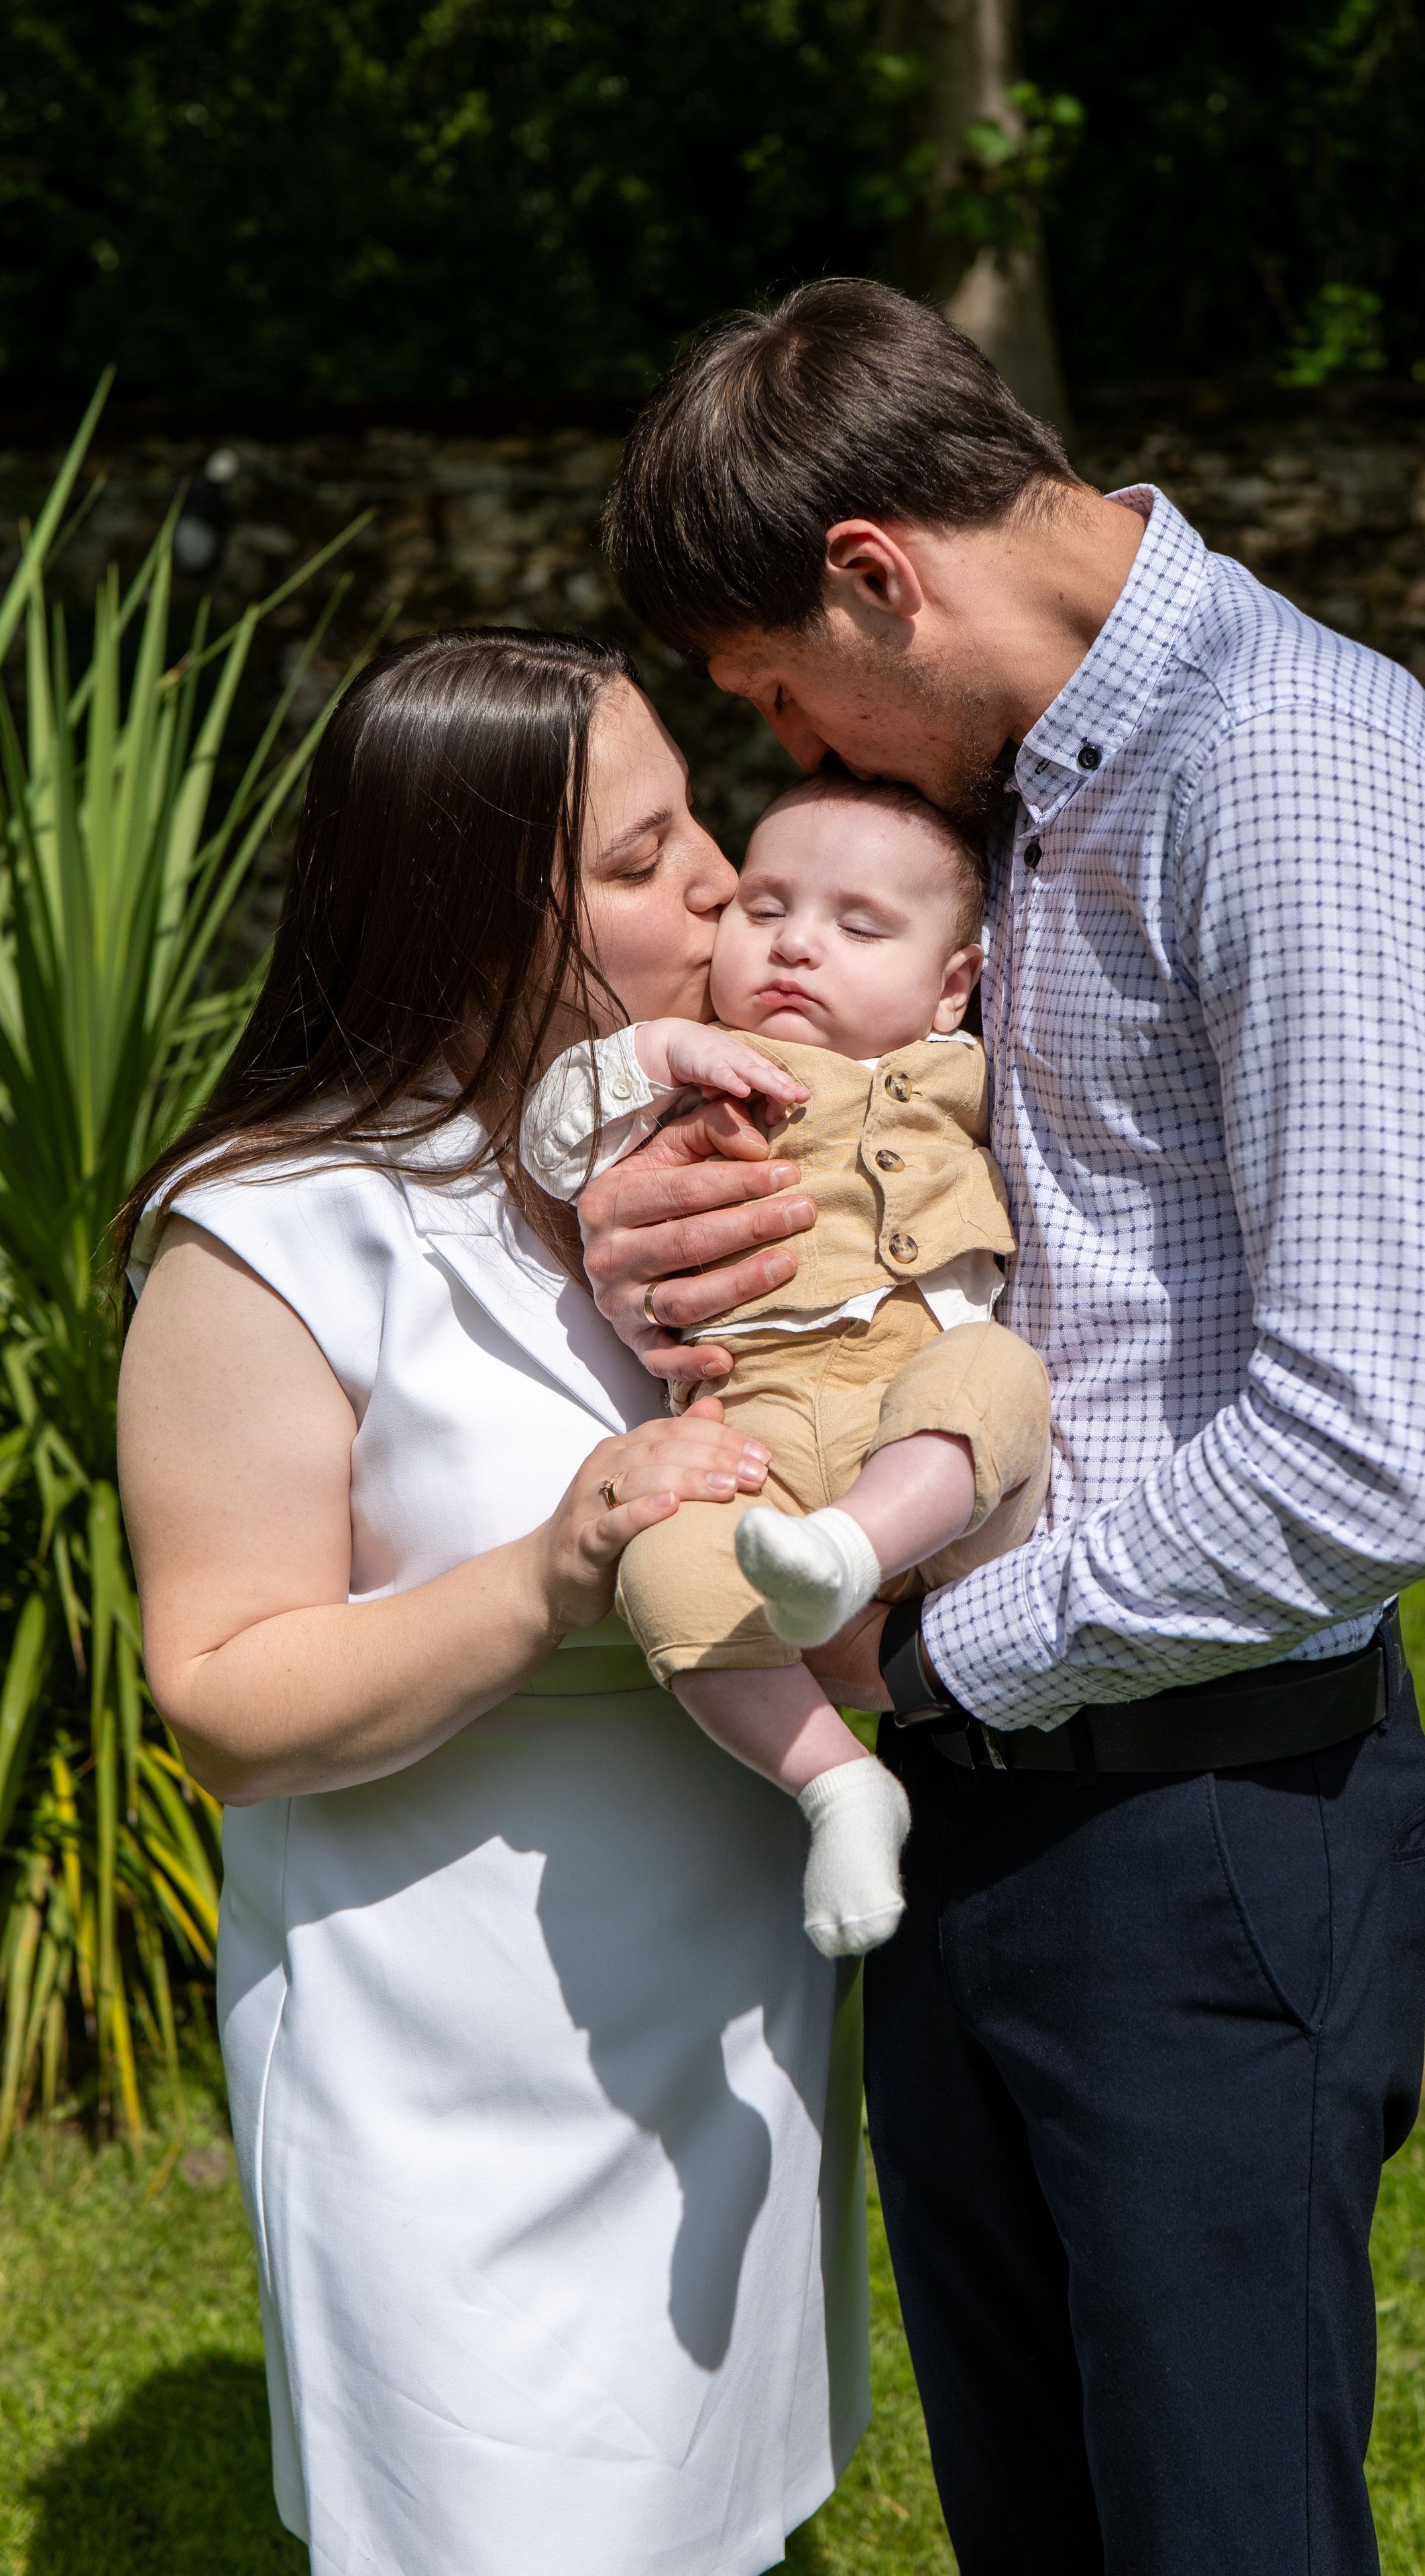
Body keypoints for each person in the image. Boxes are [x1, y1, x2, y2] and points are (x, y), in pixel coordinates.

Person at [577, 279, 1425, 2573]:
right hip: (975, 1800)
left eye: (777, 690)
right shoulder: (1019, 786)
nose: (788, 753)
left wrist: (926, 1657)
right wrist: (667, 1227)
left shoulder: (1292, 773)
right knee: (1039, 2525)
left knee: (1213, 2528)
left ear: (876, 574)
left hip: (1195, 1818)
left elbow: (1381, 1448)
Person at [113, 628, 868, 2576]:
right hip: (447, 2074)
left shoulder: (695, 1157)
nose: (718, 879)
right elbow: (221, 1698)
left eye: (693, 818)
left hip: (725, 2027)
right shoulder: (272, 1233)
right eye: (637, 859)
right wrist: (546, 1572)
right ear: (461, 918)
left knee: (722, 2521)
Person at [519, 771, 1051, 1956]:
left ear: (953, 985)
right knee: (663, 1562)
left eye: (859, 926)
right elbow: (552, 1143)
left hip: (932, 1460)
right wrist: (650, 1051)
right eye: (764, 909)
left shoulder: (976, 1071)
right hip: (751, 1449)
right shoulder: (704, 1071)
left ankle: (853, 1548)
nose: (797, 945)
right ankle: (839, 1787)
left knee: (996, 1374)